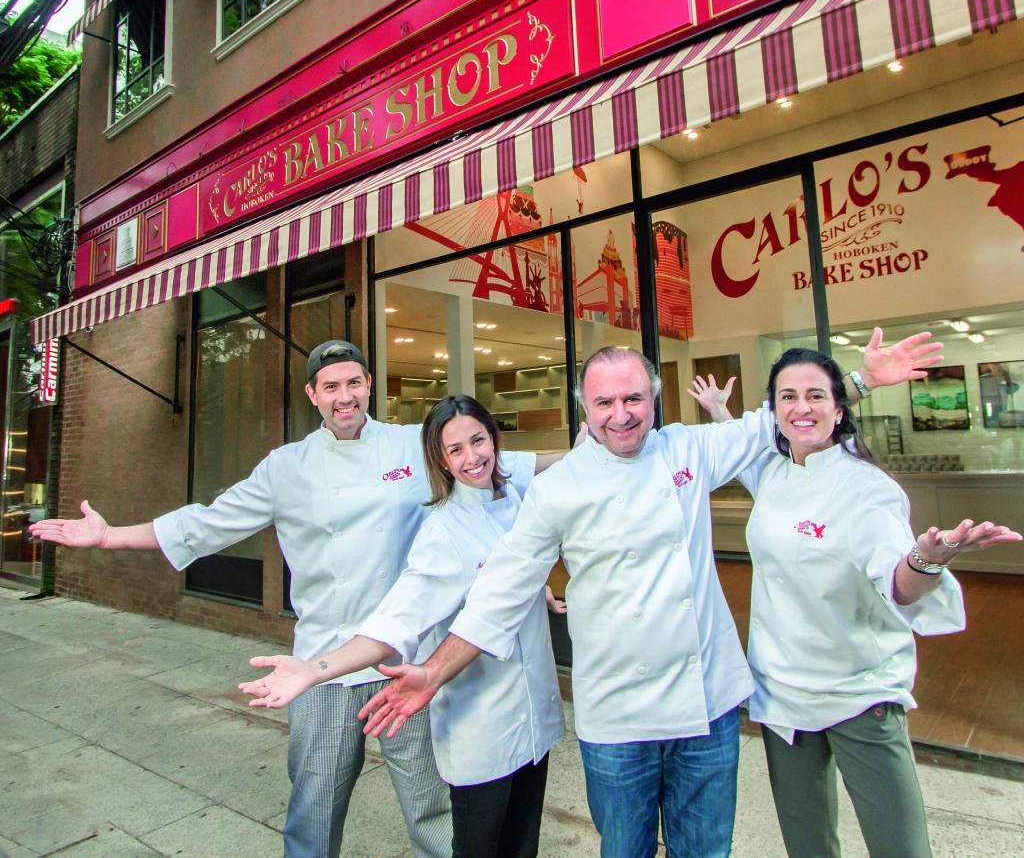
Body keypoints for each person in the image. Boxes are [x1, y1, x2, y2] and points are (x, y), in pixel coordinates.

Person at [354, 330, 943, 858]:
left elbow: (780, 421)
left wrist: (860, 381)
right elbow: (499, 593)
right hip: (618, 717)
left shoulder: (688, 450)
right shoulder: (560, 488)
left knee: (705, 849)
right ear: (586, 408)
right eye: (604, 403)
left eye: (633, 399)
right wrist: (434, 671)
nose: (621, 415)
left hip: (706, 704)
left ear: (654, 399)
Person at [29, 340, 559, 858]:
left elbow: (509, 467)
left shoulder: (411, 446)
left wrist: (596, 449)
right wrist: (110, 536)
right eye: (331, 387)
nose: (344, 397)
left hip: (406, 658)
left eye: (354, 383)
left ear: (369, 385)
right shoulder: (286, 467)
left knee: (433, 810)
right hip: (323, 664)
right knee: (315, 808)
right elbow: (208, 524)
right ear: (312, 395)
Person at [688, 350, 1022, 858]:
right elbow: (743, 449)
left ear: (839, 410)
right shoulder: (772, 472)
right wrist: (719, 411)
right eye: (788, 397)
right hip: (782, 695)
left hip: (859, 694)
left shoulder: (867, 489)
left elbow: (898, 585)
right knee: (808, 844)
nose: (802, 407)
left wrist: (927, 560)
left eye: (816, 396)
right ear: (774, 411)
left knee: (900, 847)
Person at [237, 394, 566, 858]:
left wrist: (538, 589)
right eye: (455, 450)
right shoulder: (443, 531)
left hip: (536, 723)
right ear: (442, 461)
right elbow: (396, 620)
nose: (472, 457)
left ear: (494, 440)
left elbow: (516, 566)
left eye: (478, 441)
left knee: (522, 847)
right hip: (483, 731)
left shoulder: (516, 500)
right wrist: (315, 669)